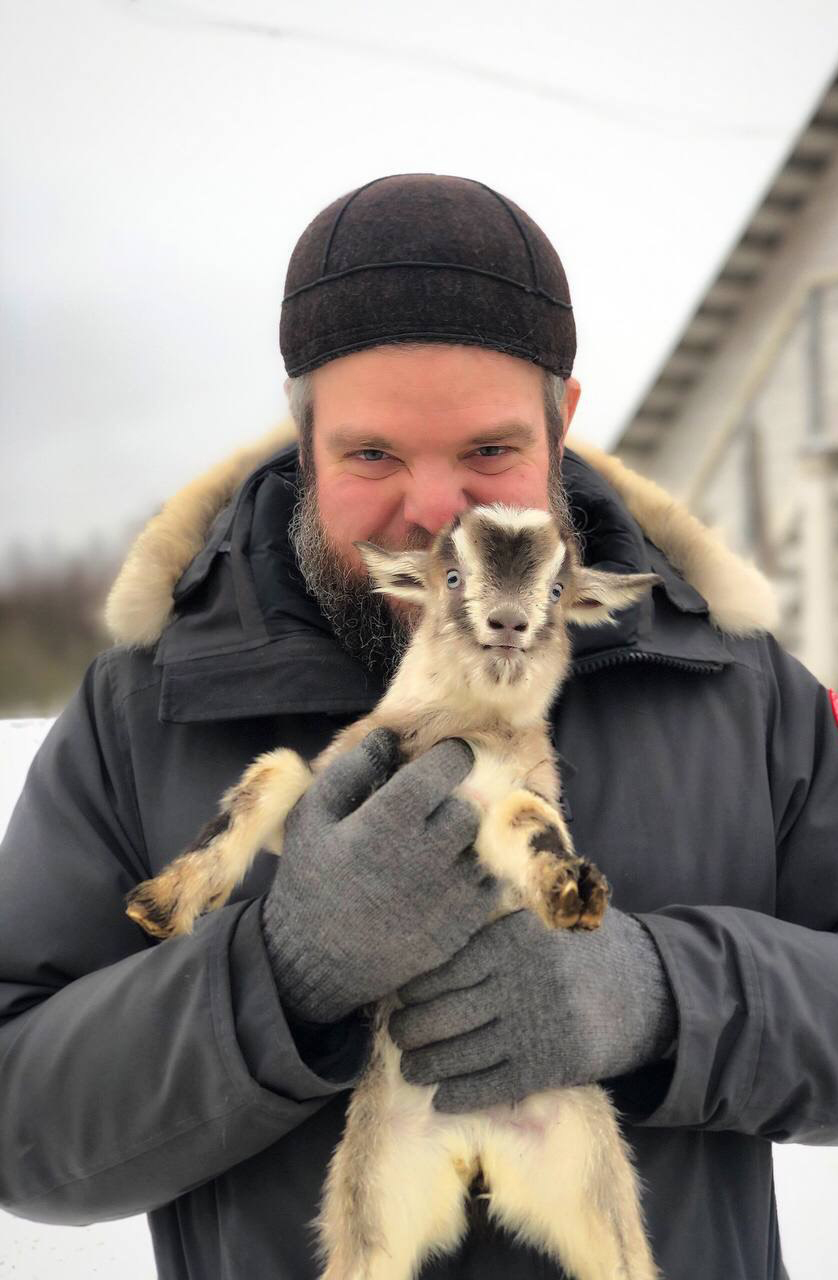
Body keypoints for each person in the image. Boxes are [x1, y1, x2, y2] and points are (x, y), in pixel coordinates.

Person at [1, 173, 836, 1280]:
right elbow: (21, 1122)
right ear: (304, 436)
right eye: (373, 455)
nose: (436, 511)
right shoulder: (143, 707)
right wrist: (280, 974)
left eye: (489, 452)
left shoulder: (734, 687)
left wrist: (660, 995)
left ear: (562, 420)